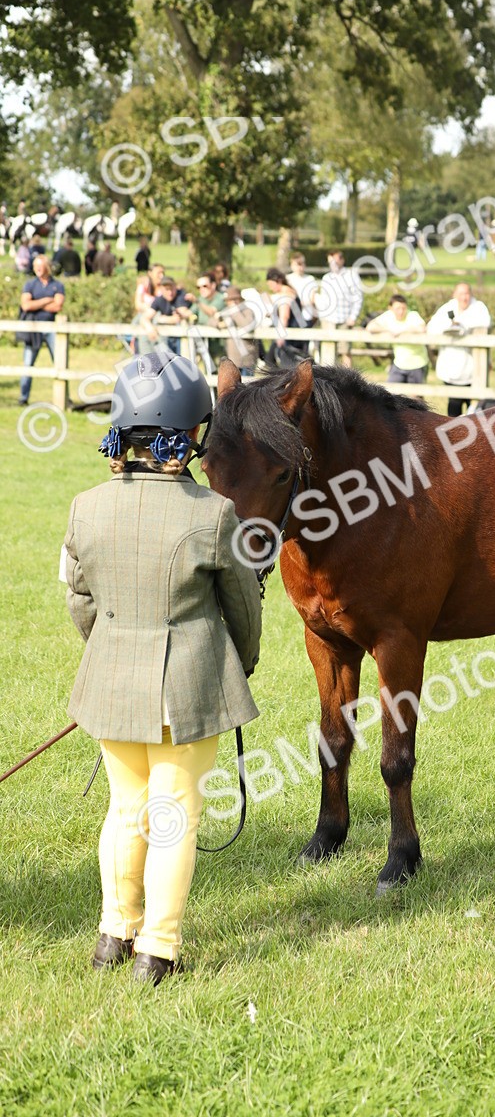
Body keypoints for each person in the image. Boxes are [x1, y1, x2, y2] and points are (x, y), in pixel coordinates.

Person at [62, 351, 261, 984]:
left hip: (111, 679)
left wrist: (111, 648)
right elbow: (242, 609)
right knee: (173, 812)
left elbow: (80, 598)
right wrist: (242, 664)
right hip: (190, 685)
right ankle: (158, 947)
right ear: (190, 435)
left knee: (126, 809)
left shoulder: (84, 506)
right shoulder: (214, 513)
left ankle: (112, 933)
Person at [427, 283, 491, 417]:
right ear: (454, 295)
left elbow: (484, 323)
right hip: (451, 366)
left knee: (473, 407)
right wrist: (449, 328)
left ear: (471, 294)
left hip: (473, 367)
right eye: (461, 294)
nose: (464, 298)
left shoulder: (478, 308)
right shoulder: (448, 308)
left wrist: (463, 327)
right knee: (454, 403)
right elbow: (432, 327)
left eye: (467, 294)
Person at [17, 254, 65, 406]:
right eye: (35, 265)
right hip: (33, 328)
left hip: (51, 327)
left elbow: (57, 306)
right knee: (28, 363)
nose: (37, 268)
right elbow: (25, 305)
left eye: (40, 265)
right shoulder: (30, 284)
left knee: (60, 361)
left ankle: (63, 398)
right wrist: (46, 300)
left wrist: (35, 304)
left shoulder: (57, 285)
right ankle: (23, 398)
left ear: (47, 267)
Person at [366, 295, 429, 387]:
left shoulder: (413, 315)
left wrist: (401, 331)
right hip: (399, 363)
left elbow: (422, 329)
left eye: (404, 308)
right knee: (390, 393)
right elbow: (370, 327)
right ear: (390, 308)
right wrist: (388, 330)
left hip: (416, 363)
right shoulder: (388, 316)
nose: (401, 311)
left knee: (416, 398)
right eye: (398, 308)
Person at [317, 250, 363, 368]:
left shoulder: (351, 275)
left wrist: (352, 317)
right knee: (328, 351)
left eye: (335, 261)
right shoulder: (326, 277)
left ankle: (346, 381)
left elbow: (358, 298)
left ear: (342, 260)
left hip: (344, 319)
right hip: (328, 319)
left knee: (345, 351)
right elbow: (323, 300)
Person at [264, 267, 311, 364]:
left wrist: (281, 337)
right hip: (299, 333)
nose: (270, 288)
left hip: (290, 336)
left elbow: (284, 316)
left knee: (283, 366)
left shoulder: (285, 294)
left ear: (278, 281)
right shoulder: (291, 291)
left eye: (271, 285)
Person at [216, 287, 259, 376]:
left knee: (247, 386)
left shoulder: (247, 311)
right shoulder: (226, 312)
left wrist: (235, 311)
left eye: (235, 299)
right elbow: (212, 321)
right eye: (230, 300)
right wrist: (219, 323)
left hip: (248, 359)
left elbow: (247, 325)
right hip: (232, 359)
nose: (232, 302)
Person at [190, 272, 227, 370]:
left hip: (220, 348)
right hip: (204, 346)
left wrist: (197, 302)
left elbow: (211, 312)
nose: (201, 289)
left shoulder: (221, 298)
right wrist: (179, 312)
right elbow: (190, 313)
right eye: (198, 287)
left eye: (204, 286)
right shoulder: (200, 299)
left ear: (213, 285)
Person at [286, 253, 318, 329]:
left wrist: (300, 304)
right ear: (292, 265)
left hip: (306, 315)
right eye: (297, 264)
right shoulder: (287, 279)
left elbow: (312, 299)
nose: (299, 267)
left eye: (301, 264)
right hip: (292, 316)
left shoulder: (310, 279)